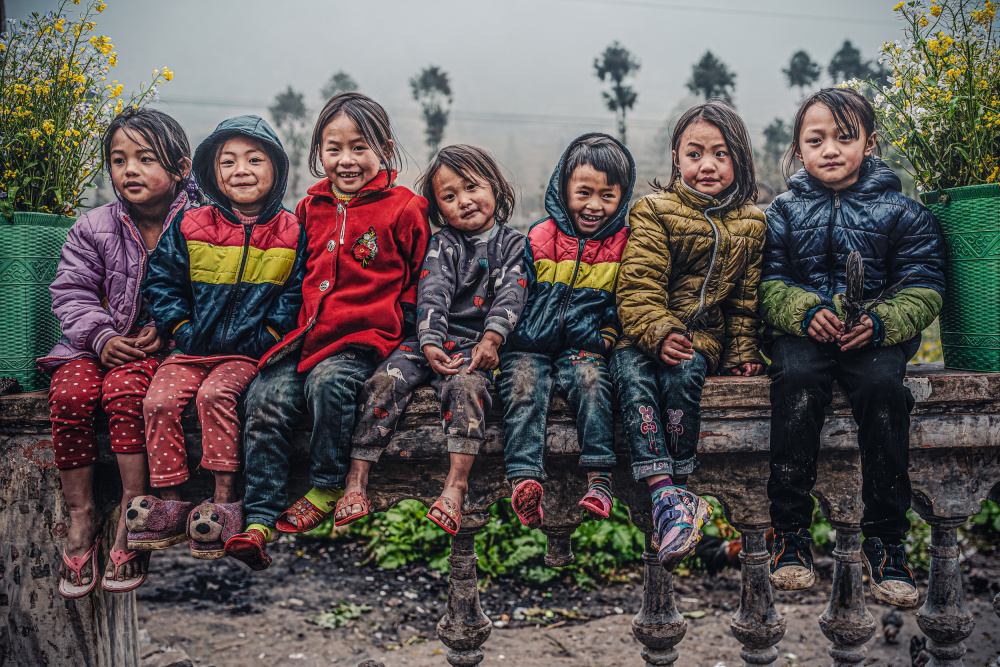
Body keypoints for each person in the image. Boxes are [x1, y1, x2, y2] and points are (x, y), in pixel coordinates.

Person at [225, 93, 430, 570]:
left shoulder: (406, 208)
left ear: (385, 147)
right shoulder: (310, 205)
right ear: (319, 152)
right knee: (264, 398)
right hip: (304, 337)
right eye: (333, 148)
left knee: (330, 384)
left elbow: (422, 280)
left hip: (364, 339)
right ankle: (258, 519)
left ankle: (326, 484)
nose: (346, 160)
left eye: (360, 147)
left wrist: (404, 335)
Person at [762, 88, 945, 607]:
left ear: (870, 143)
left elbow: (925, 283)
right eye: (815, 139)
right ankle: (790, 537)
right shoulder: (781, 212)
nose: (830, 149)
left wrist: (881, 321)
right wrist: (801, 311)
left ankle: (886, 542)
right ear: (798, 150)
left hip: (873, 338)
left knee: (885, 390)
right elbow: (768, 281)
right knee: (794, 384)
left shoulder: (902, 212)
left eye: (846, 137)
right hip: (806, 335)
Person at [124, 115, 305, 561]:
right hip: (188, 350)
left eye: (254, 159)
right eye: (228, 161)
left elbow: (296, 294)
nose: (241, 170)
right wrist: (181, 329)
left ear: (276, 169)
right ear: (212, 171)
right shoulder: (191, 223)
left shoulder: (291, 231)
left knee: (216, 398)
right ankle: (170, 500)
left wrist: (265, 336)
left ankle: (225, 501)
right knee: (157, 403)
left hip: (243, 356)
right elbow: (162, 281)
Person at [39, 107, 196, 596]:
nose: (129, 170)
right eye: (118, 159)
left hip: (161, 349)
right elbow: (71, 292)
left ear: (182, 167)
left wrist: (170, 331)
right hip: (92, 345)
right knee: (68, 396)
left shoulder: (205, 223)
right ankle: (82, 517)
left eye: (145, 158)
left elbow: (211, 291)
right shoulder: (93, 226)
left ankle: (134, 507)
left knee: (126, 394)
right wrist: (101, 337)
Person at [337, 144, 528, 535]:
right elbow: (433, 292)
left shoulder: (514, 244)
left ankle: (455, 487)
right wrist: (429, 342)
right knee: (383, 380)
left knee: (466, 389)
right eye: (450, 196)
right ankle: (356, 481)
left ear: (495, 186)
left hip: (477, 347)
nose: (465, 201)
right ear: (438, 208)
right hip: (429, 341)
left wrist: (492, 340)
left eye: (472, 187)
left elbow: (513, 293)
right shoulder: (443, 244)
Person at [613, 100, 767, 570]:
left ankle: (678, 495)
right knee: (632, 378)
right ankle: (667, 495)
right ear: (676, 158)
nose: (707, 165)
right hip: (642, 335)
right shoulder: (654, 210)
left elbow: (744, 303)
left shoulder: (752, 223)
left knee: (683, 380)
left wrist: (742, 352)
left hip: (700, 340)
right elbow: (638, 284)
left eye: (720, 154)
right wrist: (658, 332)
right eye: (695, 153)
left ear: (739, 159)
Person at [497, 133, 633, 529]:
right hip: (529, 344)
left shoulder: (623, 246)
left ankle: (600, 479)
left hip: (583, 345)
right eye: (584, 192)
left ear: (622, 198)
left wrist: (605, 337)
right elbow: (514, 291)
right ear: (563, 189)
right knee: (522, 384)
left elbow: (621, 302)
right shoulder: (539, 237)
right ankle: (524, 479)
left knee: (593, 381)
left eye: (607, 196)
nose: (594, 206)